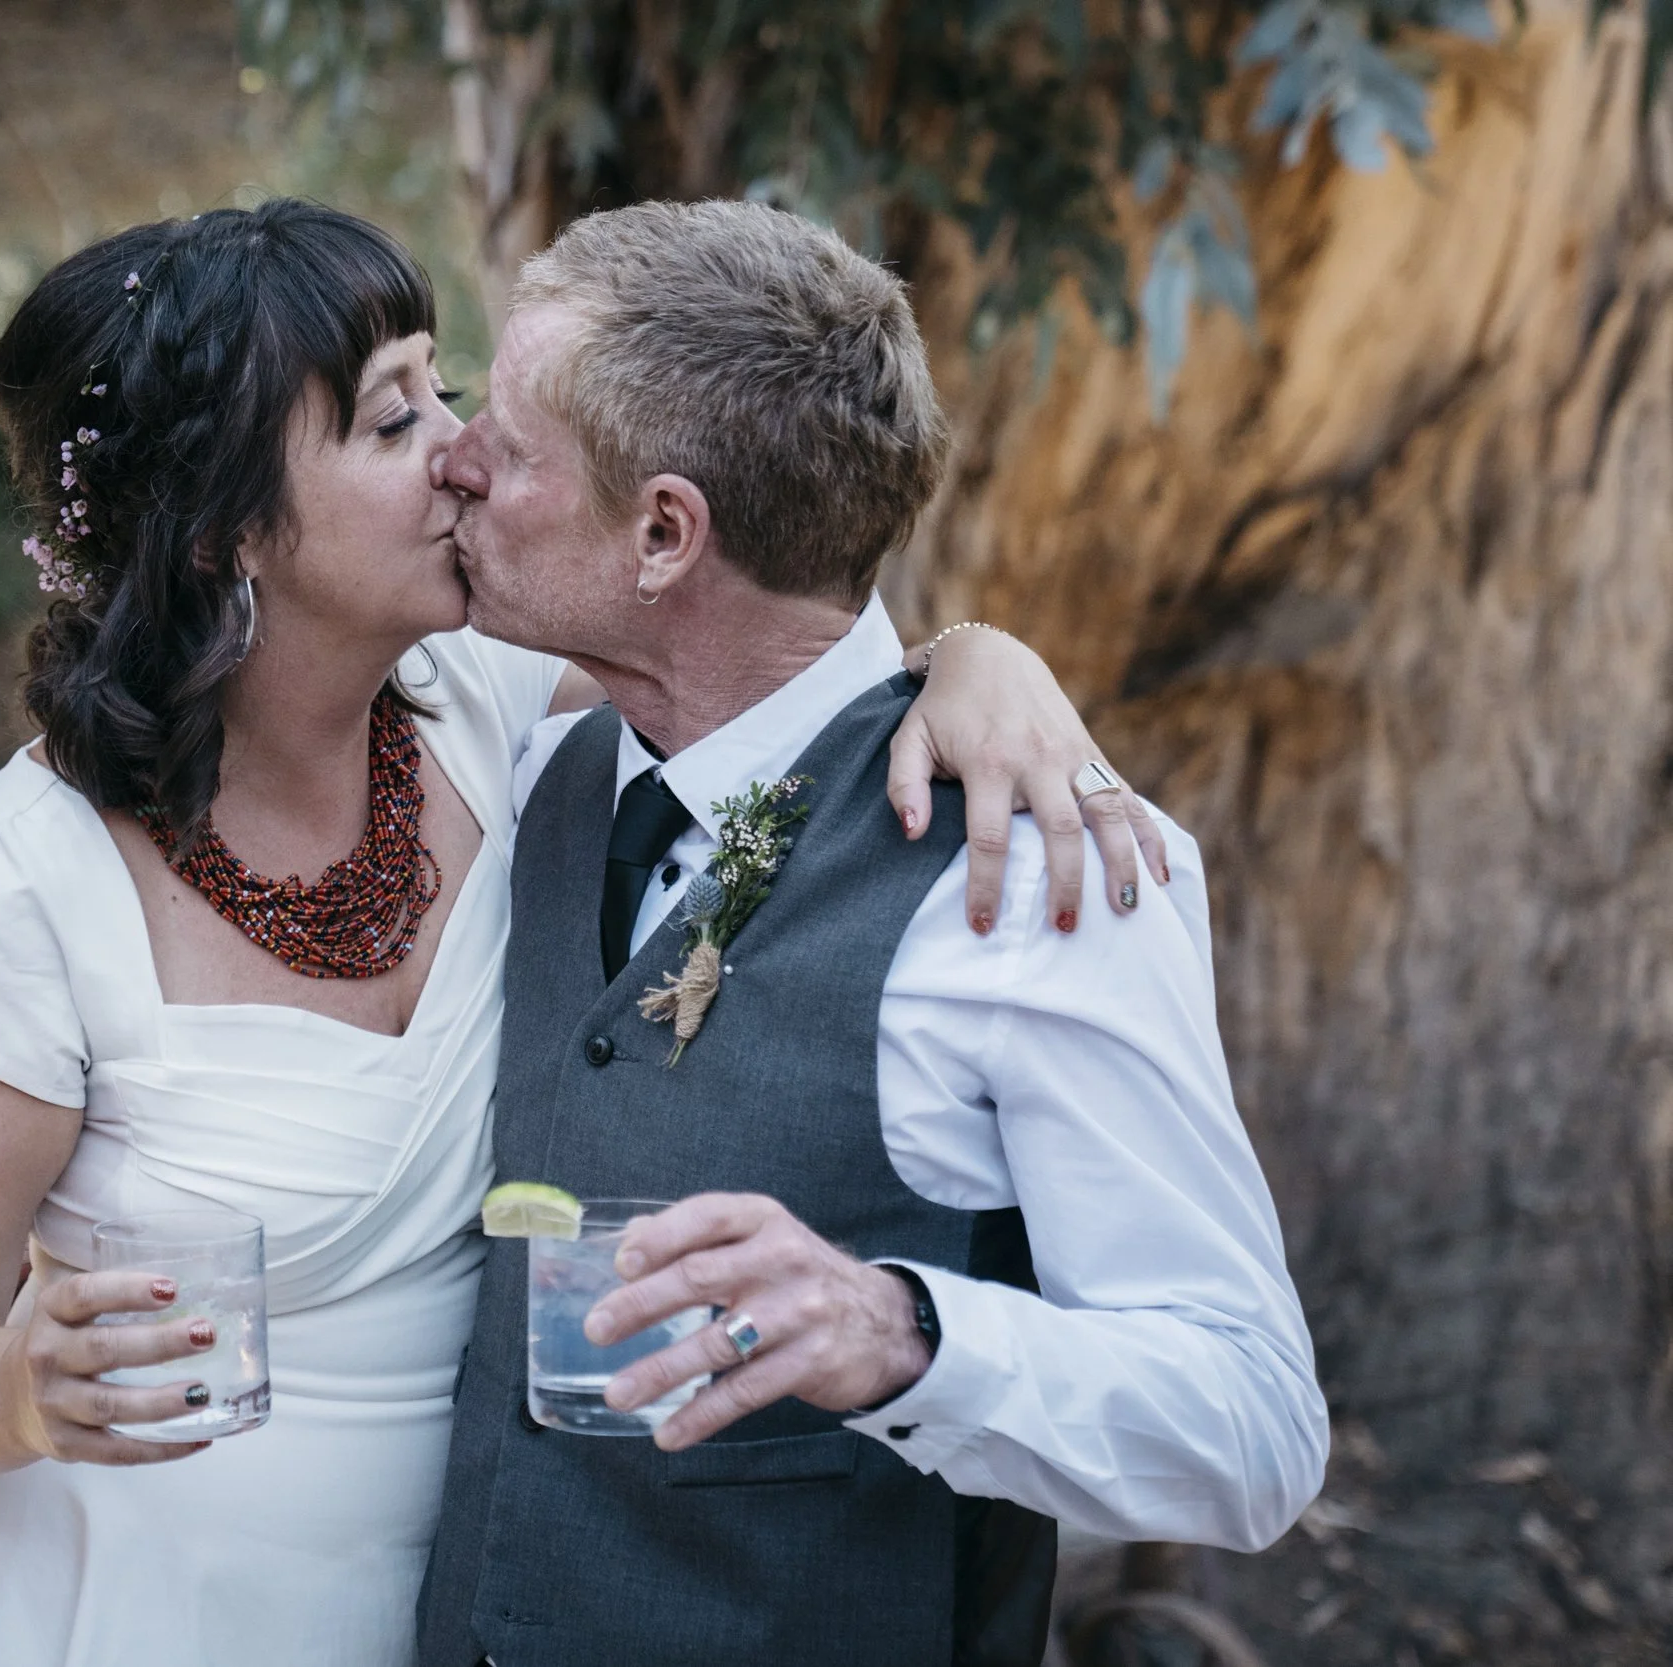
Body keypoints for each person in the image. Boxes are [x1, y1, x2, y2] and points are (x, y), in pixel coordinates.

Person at [0, 198, 1156, 1667]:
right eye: (392, 422)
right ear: (223, 533)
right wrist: (12, 1389)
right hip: (129, 1604)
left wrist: (972, 662)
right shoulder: (15, 886)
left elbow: (770, 674)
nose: (459, 446)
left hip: (460, 1607)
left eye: (439, 387)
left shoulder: (490, 715)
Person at [415, 198, 1328, 1667]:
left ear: (664, 532)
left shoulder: (1043, 878)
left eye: (508, 447)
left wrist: (901, 1333)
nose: (453, 457)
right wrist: (973, 645)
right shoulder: (523, 773)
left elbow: (1253, 1427)